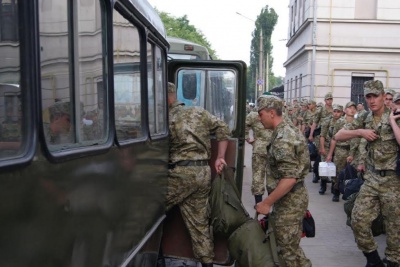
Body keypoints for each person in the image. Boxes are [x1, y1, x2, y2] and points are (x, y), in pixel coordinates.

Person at [334, 80, 400, 267]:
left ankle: (393, 262)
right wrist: (360, 132)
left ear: (383, 96)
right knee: (358, 220)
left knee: (394, 228)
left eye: (375, 96)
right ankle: (373, 260)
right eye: (368, 97)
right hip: (371, 179)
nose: (372, 100)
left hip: (393, 181)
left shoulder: (395, 116)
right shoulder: (363, 117)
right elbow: (338, 135)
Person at [166, 82, 229, 267]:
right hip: (203, 173)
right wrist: (220, 157)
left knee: (148, 208)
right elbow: (223, 128)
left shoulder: (165, 118)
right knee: (199, 224)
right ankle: (207, 264)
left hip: (182, 174)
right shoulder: (199, 112)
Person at [255, 95, 312, 267]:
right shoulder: (285, 130)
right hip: (290, 199)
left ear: (271, 113)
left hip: (290, 201)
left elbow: (289, 179)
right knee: (290, 248)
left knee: (286, 251)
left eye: (261, 114)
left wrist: (266, 203)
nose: (259, 118)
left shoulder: (282, 138)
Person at [326, 101, 358, 202]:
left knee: (352, 173)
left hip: (353, 151)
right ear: (345, 110)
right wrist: (330, 154)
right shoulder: (340, 122)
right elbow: (334, 138)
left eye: (354, 108)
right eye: (349, 108)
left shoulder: (358, 122)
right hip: (341, 150)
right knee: (338, 172)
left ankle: (350, 193)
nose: (352, 110)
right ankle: (336, 191)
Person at [245, 102, 272, 206]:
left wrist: (248, 138)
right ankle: (271, 202)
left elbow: (244, 125)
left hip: (259, 149)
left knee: (258, 176)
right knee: (272, 176)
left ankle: (258, 203)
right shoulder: (272, 114)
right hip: (272, 149)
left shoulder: (253, 115)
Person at [318, 104, 343, 194]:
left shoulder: (343, 122)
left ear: (342, 113)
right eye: (335, 111)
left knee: (336, 169)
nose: (336, 114)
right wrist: (322, 148)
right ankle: (323, 185)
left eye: (338, 112)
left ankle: (335, 188)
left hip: (339, 147)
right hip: (328, 145)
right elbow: (322, 135)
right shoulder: (327, 121)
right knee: (324, 167)